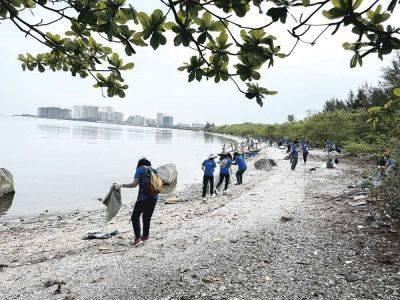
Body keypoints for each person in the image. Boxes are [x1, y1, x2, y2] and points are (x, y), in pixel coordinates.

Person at [115, 157, 158, 247]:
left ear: (139, 164)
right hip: (154, 197)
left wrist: (122, 185)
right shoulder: (153, 170)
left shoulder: (140, 170)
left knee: (135, 216)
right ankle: (145, 236)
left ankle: (137, 238)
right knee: (147, 217)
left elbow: (134, 184)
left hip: (143, 198)